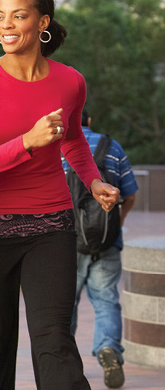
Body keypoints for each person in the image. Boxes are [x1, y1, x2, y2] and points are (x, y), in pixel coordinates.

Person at [0, 0, 120, 390]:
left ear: (42, 22)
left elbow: (73, 137)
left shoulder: (70, 82)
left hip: (51, 224)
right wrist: (26, 142)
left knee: (54, 338)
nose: (6, 25)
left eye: (19, 15)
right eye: (0, 16)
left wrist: (93, 180)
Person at [65, 109, 138, 389]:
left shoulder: (56, 148)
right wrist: (116, 222)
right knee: (106, 301)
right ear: (90, 120)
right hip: (106, 241)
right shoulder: (112, 147)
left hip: (66, 243)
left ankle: (67, 365)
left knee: (64, 307)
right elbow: (130, 194)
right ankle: (109, 348)